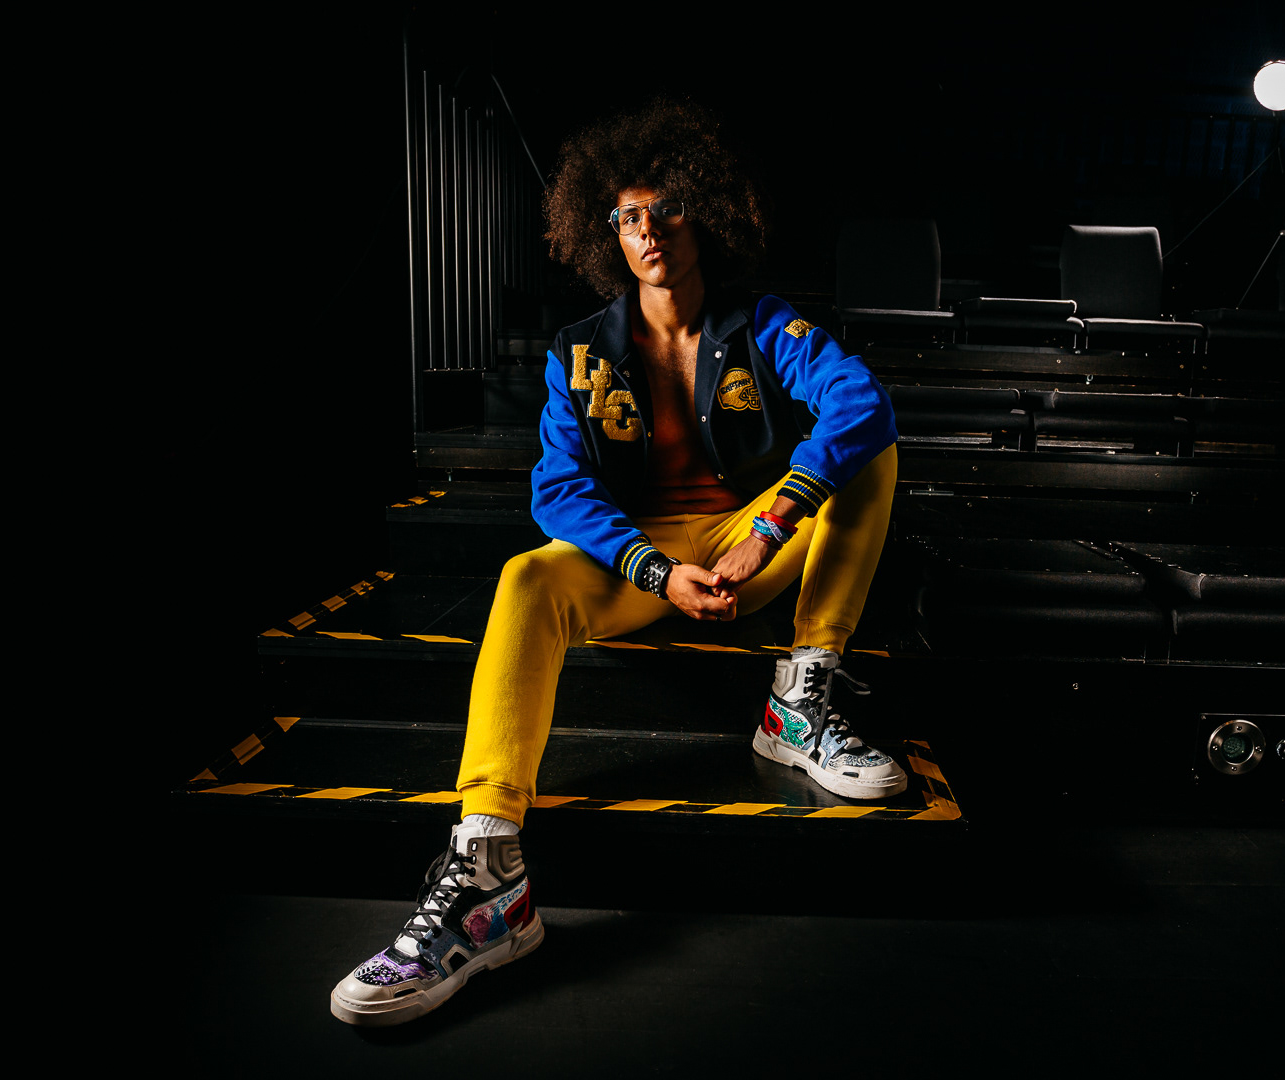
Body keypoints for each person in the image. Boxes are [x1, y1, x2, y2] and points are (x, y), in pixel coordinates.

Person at [330, 100, 902, 1027]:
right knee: (527, 576)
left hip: (749, 541)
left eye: (665, 208)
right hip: (643, 559)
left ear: (703, 214)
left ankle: (798, 704)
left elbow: (857, 400)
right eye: (627, 216)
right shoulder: (580, 351)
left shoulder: (762, 323)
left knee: (871, 447)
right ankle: (489, 875)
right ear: (609, 235)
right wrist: (652, 570)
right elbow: (558, 491)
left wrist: (769, 527)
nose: (648, 230)